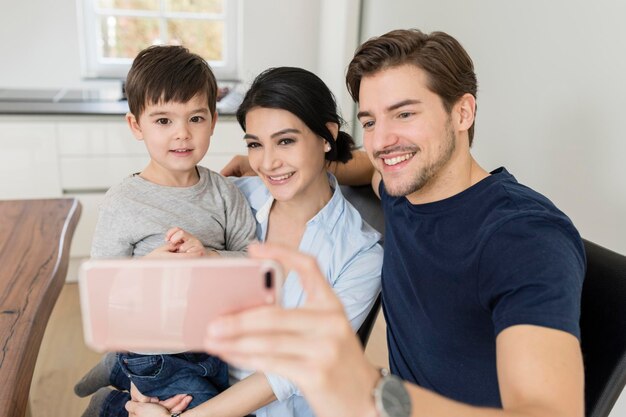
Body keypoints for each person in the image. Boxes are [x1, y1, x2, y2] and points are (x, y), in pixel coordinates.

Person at [185, 29, 587, 417]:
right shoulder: (400, 192)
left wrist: (373, 393)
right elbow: (366, 162)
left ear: (462, 112)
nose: (380, 141)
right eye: (371, 121)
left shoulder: (524, 236)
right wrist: (281, 168)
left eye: (405, 114)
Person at [122, 66, 383, 417]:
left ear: (327, 137)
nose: (268, 162)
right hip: (185, 384)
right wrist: (145, 390)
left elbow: (290, 371)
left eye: (286, 141)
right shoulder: (229, 199)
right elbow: (160, 295)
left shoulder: (362, 254)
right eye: (256, 145)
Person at [74, 44, 259, 417]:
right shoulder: (124, 202)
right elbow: (102, 297)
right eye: (163, 121)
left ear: (212, 120)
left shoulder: (225, 193)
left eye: (196, 118)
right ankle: (115, 399)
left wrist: (208, 257)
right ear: (136, 125)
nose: (182, 134)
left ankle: (115, 381)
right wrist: (146, 272)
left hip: (216, 347)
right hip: (154, 352)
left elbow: (252, 265)